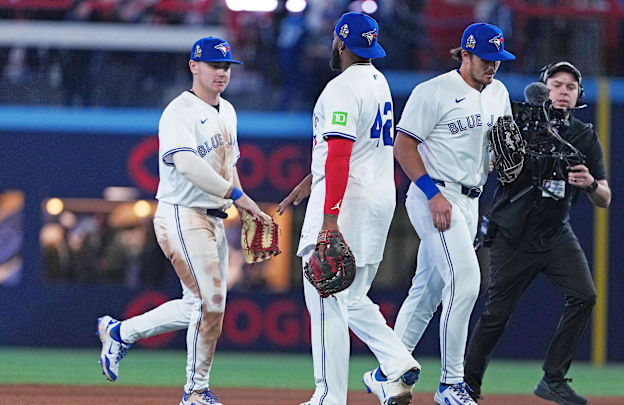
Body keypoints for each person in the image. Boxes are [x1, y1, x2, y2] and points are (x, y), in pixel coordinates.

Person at [96, 36, 268, 405]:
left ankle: (119, 332)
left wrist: (247, 205)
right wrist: (237, 196)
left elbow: (228, 167)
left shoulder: (229, 111)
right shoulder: (179, 111)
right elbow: (188, 164)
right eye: (213, 65)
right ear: (194, 66)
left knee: (199, 304)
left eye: (226, 66)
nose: (222, 72)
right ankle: (195, 392)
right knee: (213, 301)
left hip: (215, 219)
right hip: (180, 214)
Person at [277, 12, 421, 405]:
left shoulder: (341, 88)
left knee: (325, 296)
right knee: (352, 297)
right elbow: (351, 151)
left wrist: (328, 219)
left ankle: (328, 396)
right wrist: (310, 183)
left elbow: (340, 156)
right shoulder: (379, 82)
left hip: (347, 203)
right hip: (378, 199)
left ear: (340, 43)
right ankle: (396, 361)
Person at [463, 61, 612, 405]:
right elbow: (483, 160)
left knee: (585, 296)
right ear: (543, 89)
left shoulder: (583, 136)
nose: (563, 92)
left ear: (578, 95)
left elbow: (605, 197)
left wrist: (590, 184)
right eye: (556, 85)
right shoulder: (517, 122)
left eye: (570, 87)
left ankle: (553, 379)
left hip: (555, 233)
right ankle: (467, 386)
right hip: (512, 235)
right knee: (496, 316)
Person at [391, 23, 514, 405]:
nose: (493, 66)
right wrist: (432, 194)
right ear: (465, 54)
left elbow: (499, 152)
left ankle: (389, 373)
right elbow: (404, 145)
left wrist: (503, 162)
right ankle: (451, 384)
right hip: (436, 195)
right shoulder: (433, 91)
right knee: (465, 282)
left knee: (426, 292)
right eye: (486, 58)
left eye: (498, 59)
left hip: (470, 199)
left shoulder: (499, 93)